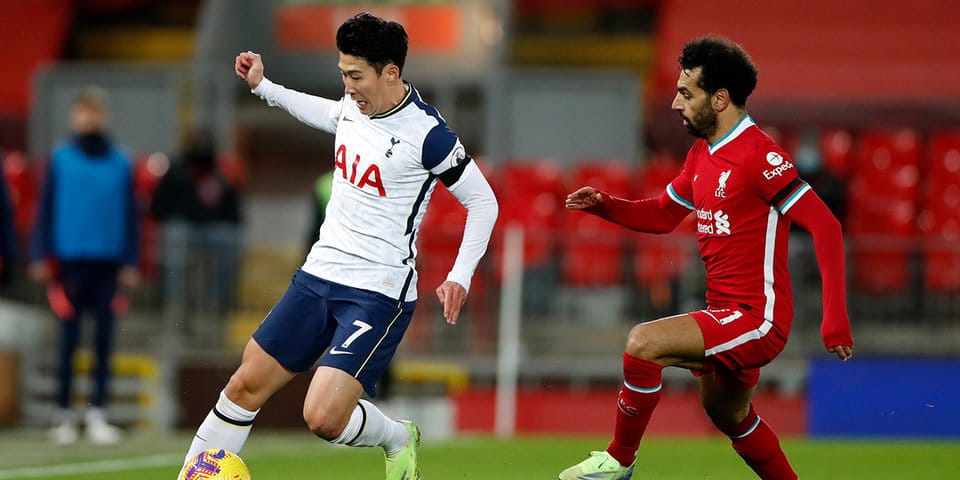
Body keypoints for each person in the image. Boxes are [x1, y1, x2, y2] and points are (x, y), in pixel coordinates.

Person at [180, 13, 498, 480]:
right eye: (343, 74)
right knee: (244, 384)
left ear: (390, 72)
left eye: (356, 75)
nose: (347, 87)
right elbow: (325, 112)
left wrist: (459, 275)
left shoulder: (428, 135)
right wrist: (263, 86)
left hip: (378, 290)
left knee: (323, 418)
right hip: (319, 275)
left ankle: (397, 436)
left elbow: (483, 202)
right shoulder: (353, 106)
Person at [559, 36, 853, 480]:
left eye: (686, 93)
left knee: (644, 342)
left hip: (758, 318)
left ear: (720, 99)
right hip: (725, 312)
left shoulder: (760, 155)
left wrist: (835, 321)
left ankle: (619, 460)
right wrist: (606, 204)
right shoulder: (701, 154)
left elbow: (827, 226)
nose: (676, 104)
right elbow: (662, 215)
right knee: (727, 413)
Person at [29, 86, 141, 445]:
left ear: (103, 116)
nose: (88, 118)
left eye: (94, 112)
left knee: (104, 344)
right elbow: (44, 210)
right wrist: (39, 255)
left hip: (108, 266)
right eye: (83, 112)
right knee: (68, 341)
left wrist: (131, 260)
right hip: (69, 265)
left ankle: (97, 414)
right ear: (74, 116)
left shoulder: (121, 161)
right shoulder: (60, 159)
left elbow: (132, 216)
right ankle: (63, 414)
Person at [150, 128, 243, 321]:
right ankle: (175, 303)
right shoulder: (176, 172)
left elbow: (234, 215)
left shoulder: (221, 176)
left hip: (212, 230)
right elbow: (158, 207)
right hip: (184, 229)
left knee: (228, 240)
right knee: (176, 236)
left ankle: (216, 303)